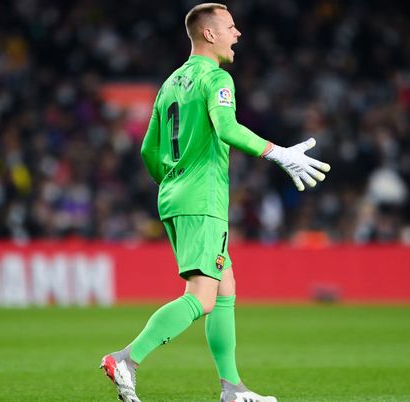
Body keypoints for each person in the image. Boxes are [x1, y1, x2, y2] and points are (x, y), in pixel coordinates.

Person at [100, 3, 330, 402]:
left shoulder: (170, 83)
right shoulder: (217, 78)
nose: (237, 33)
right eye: (230, 26)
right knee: (203, 296)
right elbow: (227, 128)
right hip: (202, 199)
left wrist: (174, 180)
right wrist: (278, 153)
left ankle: (233, 389)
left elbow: (147, 152)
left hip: (174, 197)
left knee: (225, 287)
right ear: (209, 34)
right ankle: (127, 359)